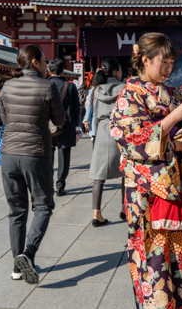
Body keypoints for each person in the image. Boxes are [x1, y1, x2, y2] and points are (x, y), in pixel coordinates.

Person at [109, 33, 182, 309]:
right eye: (164, 61)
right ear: (145, 60)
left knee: (181, 259)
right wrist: (172, 121)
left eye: (172, 62)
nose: (169, 67)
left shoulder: (172, 94)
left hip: (175, 188)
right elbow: (128, 140)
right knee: (153, 257)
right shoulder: (128, 96)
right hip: (145, 193)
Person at [0, 44, 65, 284]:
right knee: (43, 206)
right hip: (36, 152)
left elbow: (4, 117)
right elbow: (60, 119)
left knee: (16, 211)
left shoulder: (6, 86)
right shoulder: (48, 87)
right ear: (35, 62)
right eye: (45, 61)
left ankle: (17, 265)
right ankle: (28, 253)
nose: (47, 66)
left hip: (8, 154)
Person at [89, 57, 126, 225]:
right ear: (117, 71)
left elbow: (95, 115)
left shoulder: (97, 90)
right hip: (122, 131)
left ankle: (97, 214)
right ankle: (125, 209)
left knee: (99, 177)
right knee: (126, 173)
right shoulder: (125, 88)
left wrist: (95, 135)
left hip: (103, 130)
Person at [48, 58, 81, 198]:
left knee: (48, 157)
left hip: (48, 127)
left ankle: (48, 186)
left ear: (49, 70)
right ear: (62, 70)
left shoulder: (45, 84)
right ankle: (60, 186)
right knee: (64, 158)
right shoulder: (71, 86)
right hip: (66, 125)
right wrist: (75, 125)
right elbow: (76, 109)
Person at [83, 74, 101, 144]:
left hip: (95, 121)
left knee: (95, 144)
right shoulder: (108, 89)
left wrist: (86, 120)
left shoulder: (92, 91)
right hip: (106, 123)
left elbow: (89, 107)